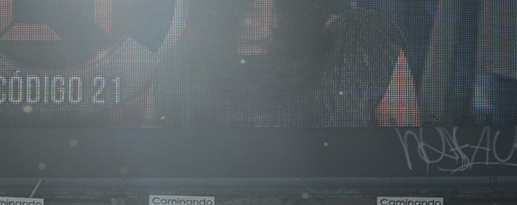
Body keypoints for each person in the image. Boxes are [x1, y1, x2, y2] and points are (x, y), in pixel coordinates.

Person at [151, 0, 421, 128]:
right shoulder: (184, 63)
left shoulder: (360, 40)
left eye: (261, 4)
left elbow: (404, 148)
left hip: (331, 204)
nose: (247, 15)